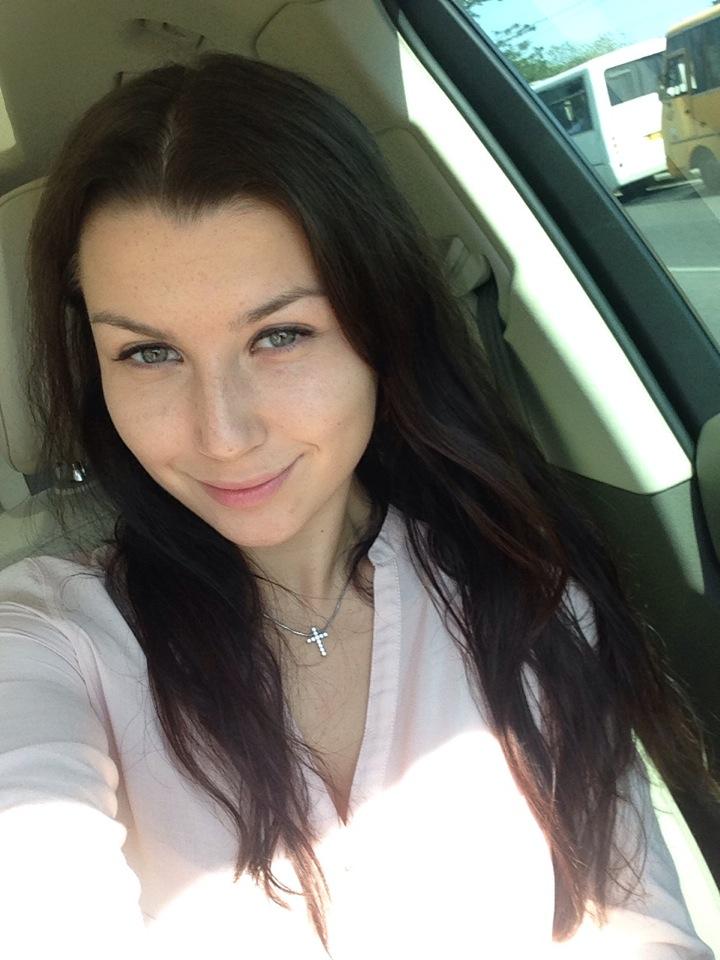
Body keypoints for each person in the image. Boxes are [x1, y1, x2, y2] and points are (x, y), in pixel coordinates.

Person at [0, 51, 717, 960]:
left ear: (381, 326)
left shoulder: (520, 587)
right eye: (149, 353)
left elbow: (634, 920)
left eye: (281, 335)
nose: (222, 434)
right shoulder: (48, 639)